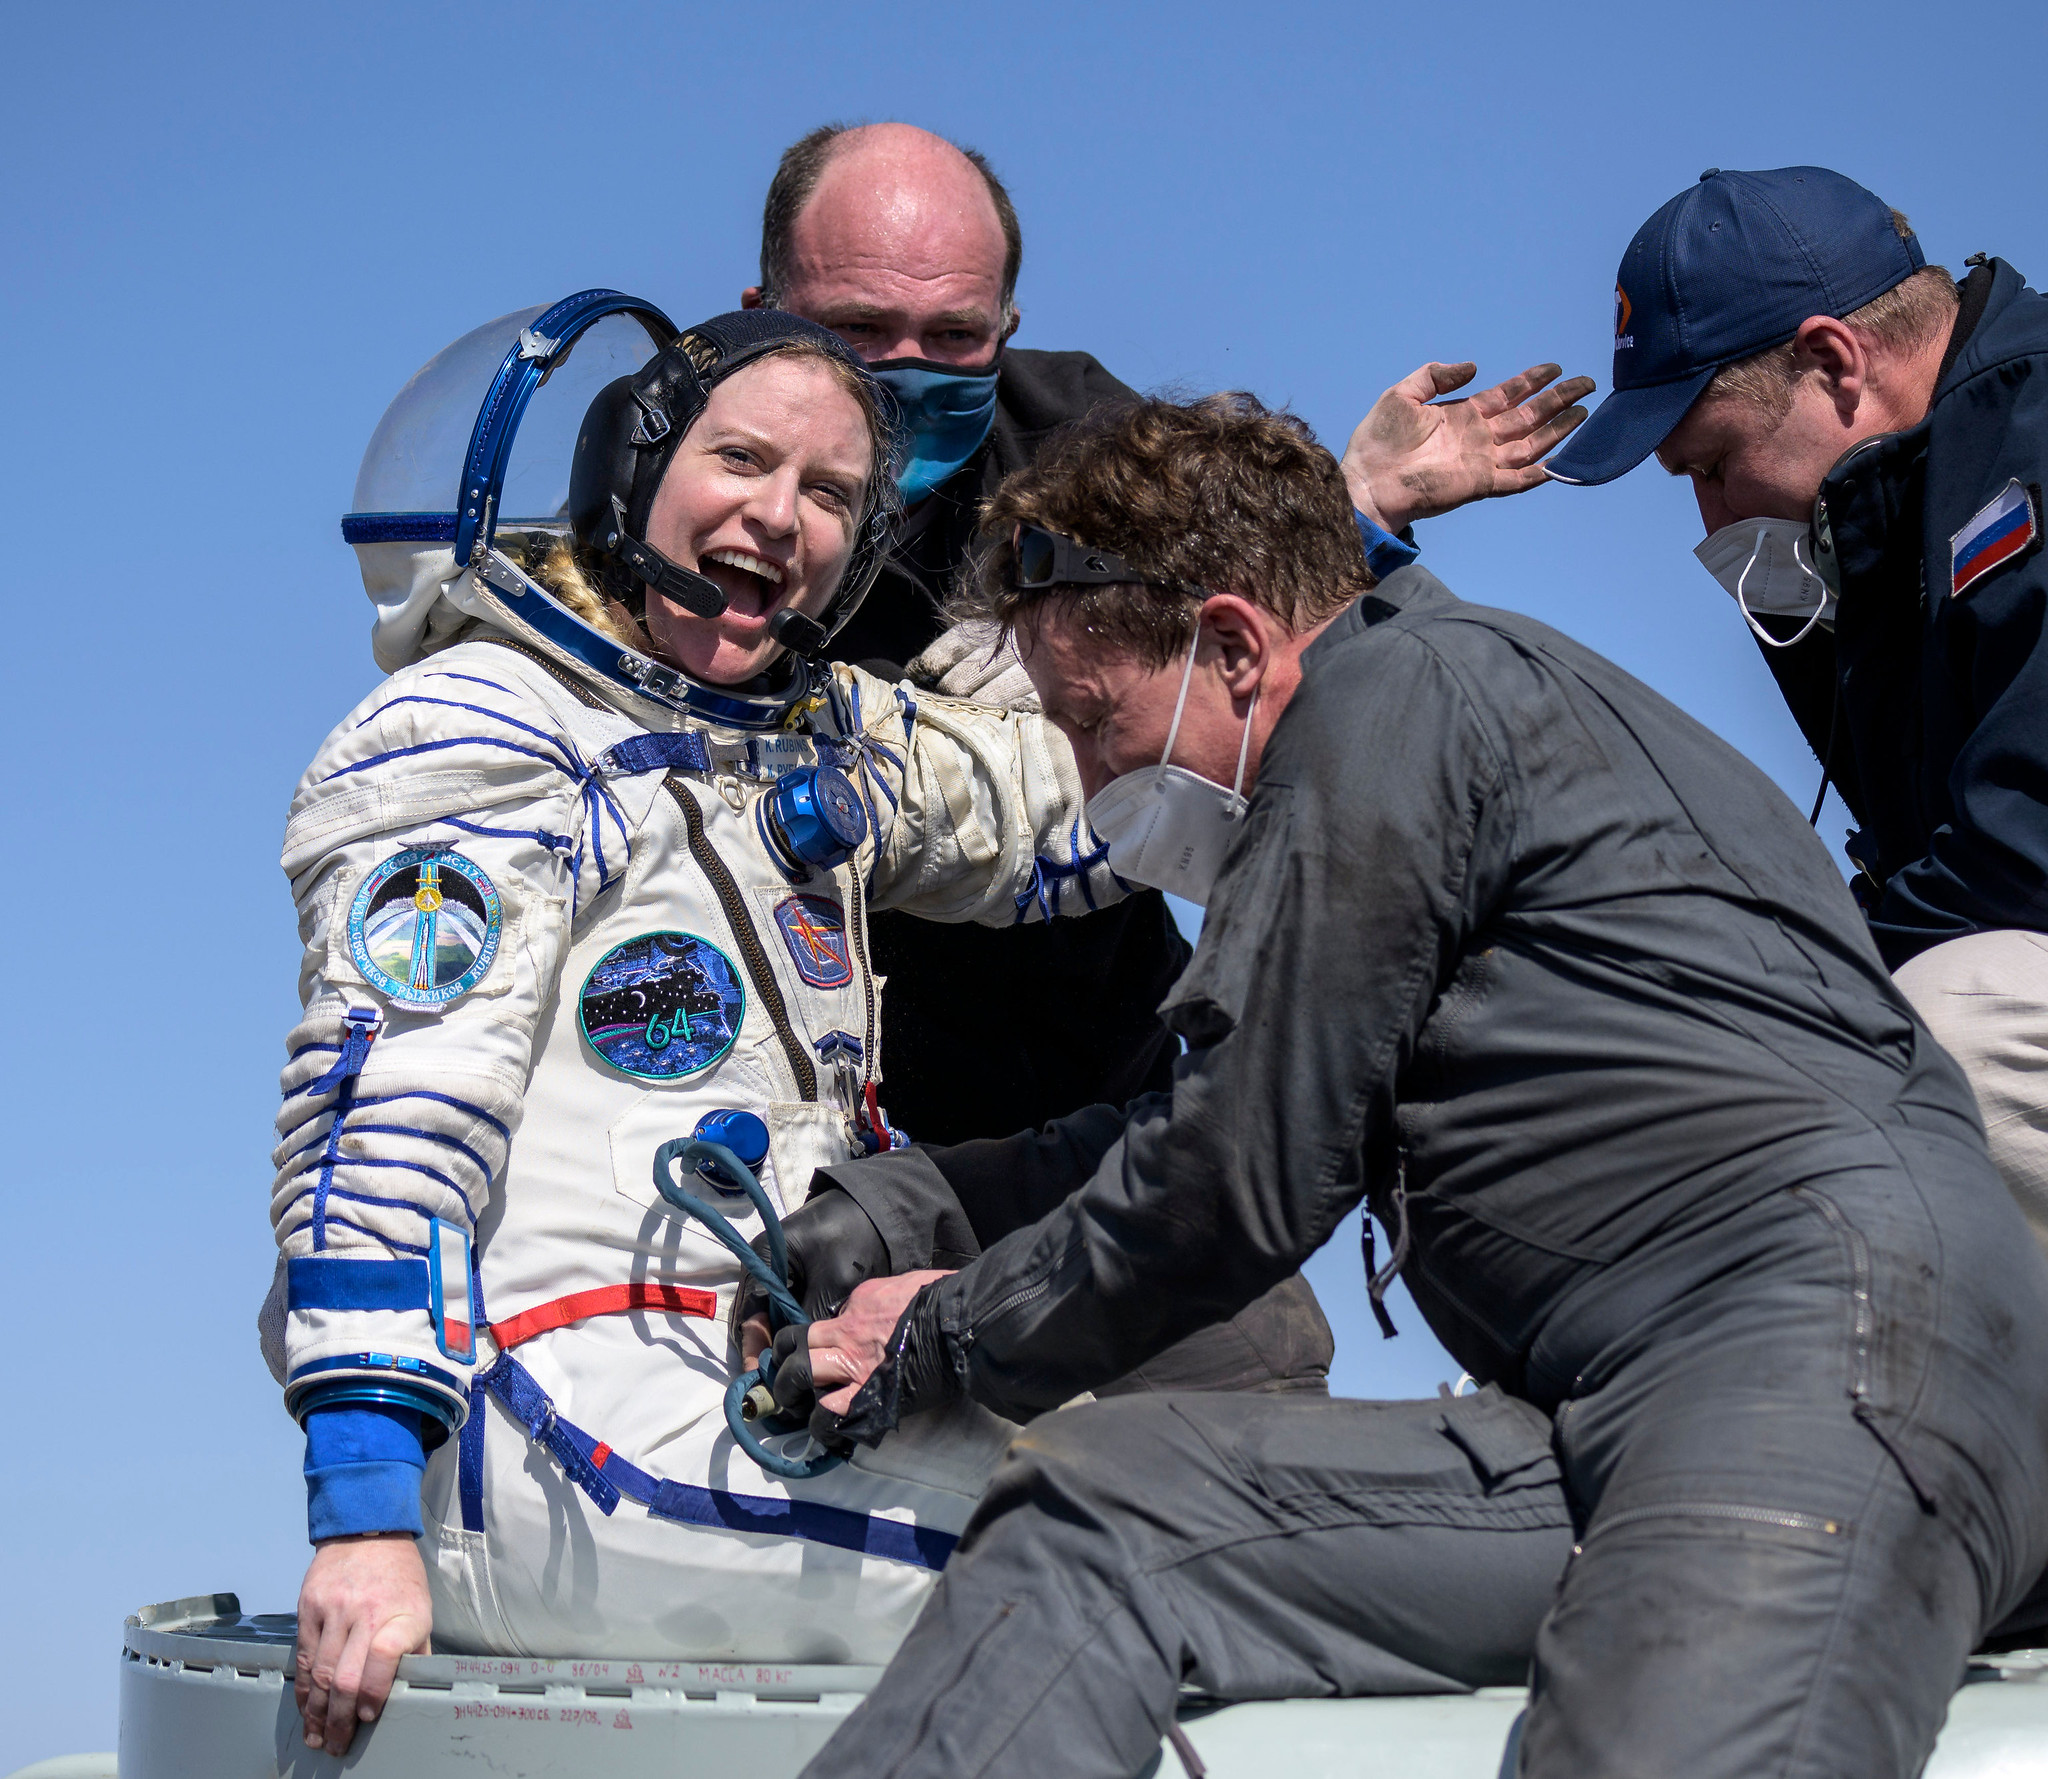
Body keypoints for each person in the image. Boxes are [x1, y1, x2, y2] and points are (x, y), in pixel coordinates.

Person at [762, 393, 2048, 1779]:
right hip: (1625, 1411)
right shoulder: (1430, 730)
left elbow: (1225, 1179)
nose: (1086, 782)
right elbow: (1209, 1115)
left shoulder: (1396, 706)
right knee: (1103, 1508)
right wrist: (909, 1206)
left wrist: (941, 1332)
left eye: (1089, 721)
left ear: (1237, 644)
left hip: (1822, 1365)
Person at [277, 299, 1131, 1754]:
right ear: (635, 470)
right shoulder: (486, 724)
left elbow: (1059, 792)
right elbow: (393, 1115)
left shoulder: (812, 734)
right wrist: (365, 1513)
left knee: (1175, 1506)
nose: (779, 516)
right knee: (1093, 1577)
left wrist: (1324, 579)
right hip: (547, 1410)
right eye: (742, 459)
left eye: (829, 494)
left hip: (764, 1373)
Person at [737, 120, 1589, 1397]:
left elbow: (1254, 627)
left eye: (957, 338)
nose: (908, 369)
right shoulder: (683, 480)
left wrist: (1348, 510)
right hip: (806, 1098)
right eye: (860, 328)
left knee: (1242, 1418)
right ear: (761, 311)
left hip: (1097, 1066)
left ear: (1008, 325)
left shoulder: (1077, 441)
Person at [1536, 166, 2048, 1259]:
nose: (1708, 512)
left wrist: (1728, 1003)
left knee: (1949, 1026)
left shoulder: (2032, 436)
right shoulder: (1887, 514)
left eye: (1711, 464)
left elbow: (2026, 853)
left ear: (1832, 361)